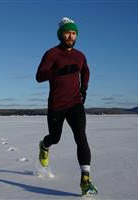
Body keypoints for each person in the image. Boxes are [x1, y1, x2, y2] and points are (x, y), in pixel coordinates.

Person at [35, 17, 98, 196]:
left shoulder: (80, 56)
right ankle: (44, 145)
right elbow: (39, 76)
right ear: (61, 34)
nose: (71, 36)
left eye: (74, 33)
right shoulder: (52, 54)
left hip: (75, 103)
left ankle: (85, 180)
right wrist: (59, 72)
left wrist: (84, 87)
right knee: (55, 137)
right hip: (56, 104)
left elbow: (85, 69)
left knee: (81, 137)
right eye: (67, 32)